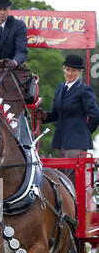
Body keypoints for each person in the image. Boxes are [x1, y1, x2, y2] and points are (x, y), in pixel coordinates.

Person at [36, 54, 99, 185]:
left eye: (74, 70)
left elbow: (95, 115)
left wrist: (84, 133)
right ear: (64, 69)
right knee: (60, 180)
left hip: (76, 144)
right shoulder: (60, 88)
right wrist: (44, 116)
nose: (70, 73)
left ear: (80, 72)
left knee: (70, 181)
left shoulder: (84, 90)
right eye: (68, 69)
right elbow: (56, 114)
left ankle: (74, 206)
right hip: (61, 142)